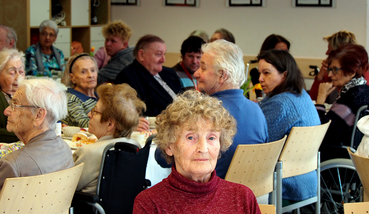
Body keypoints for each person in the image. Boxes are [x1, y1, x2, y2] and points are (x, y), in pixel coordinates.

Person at [155, 39, 268, 180]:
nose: (196, 73)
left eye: (203, 68)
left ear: (222, 75)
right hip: (250, 195)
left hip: (209, 196)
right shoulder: (257, 110)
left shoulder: (203, 114)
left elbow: (162, 157)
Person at [133, 90, 260, 213]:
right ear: (169, 146)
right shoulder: (149, 204)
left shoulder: (242, 198)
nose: (203, 149)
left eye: (211, 138)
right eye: (191, 137)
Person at [0, 79, 74, 213]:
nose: (6, 111)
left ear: (39, 115)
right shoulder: (65, 150)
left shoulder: (11, 165)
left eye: (14, 104)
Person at [257, 49, 320, 204]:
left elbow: (260, 146)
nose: (260, 79)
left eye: (267, 73)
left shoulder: (279, 104)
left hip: (284, 185)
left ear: (284, 75)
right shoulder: (303, 95)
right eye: (259, 73)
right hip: (308, 180)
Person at [74, 83, 146, 194]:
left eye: (95, 111)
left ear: (110, 124)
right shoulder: (134, 146)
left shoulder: (89, 153)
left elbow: (67, 189)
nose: (89, 115)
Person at [316, 44, 369, 161]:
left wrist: (320, 100)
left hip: (336, 155)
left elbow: (321, 131)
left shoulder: (350, 97)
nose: (330, 75)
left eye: (335, 70)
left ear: (351, 72)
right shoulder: (364, 90)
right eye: (330, 70)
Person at [114, 34, 181, 117]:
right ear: (141, 55)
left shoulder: (170, 73)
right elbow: (135, 111)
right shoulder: (128, 78)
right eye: (159, 54)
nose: (163, 60)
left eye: (164, 54)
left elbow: (183, 98)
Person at [309, 30, 364, 103]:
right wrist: (321, 75)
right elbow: (313, 100)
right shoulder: (331, 74)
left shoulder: (360, 78)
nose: (326, 53)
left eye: (329, 49)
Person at [0, 49, 24, 143]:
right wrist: (24, 136)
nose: (18, 77)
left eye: (21, 72)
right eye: (12, 73)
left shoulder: (29, 95)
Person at [61, 53, 98, 127]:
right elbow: (87, 126)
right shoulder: (71, 99)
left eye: (93, 70)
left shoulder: (98, 95)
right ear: (72, 78)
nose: (90, 75)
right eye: (83, 72)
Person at [97, 20, 134, 85]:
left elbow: (95, 79)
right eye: (107, 39)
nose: (107, 44)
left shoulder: (120, 62)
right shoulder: (132, 52)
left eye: (113, 41)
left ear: (124, 44)